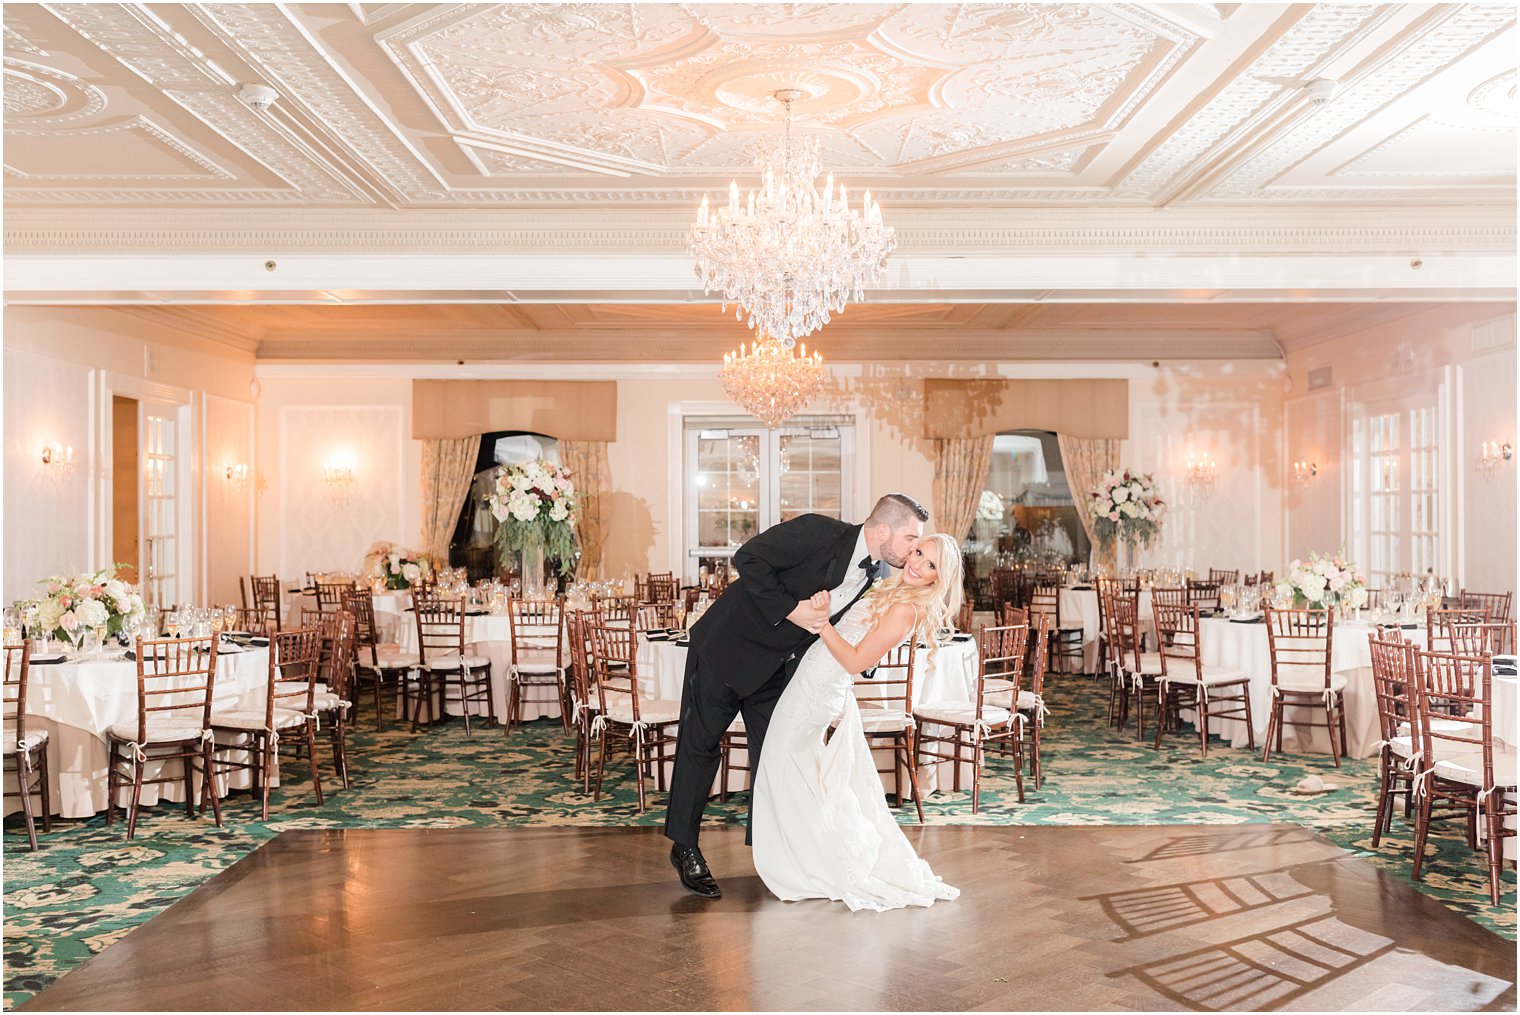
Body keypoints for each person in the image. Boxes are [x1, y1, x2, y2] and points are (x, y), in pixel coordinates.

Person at [665, 493, 929, 899]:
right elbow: (748, 558)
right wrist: (793, 610)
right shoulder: (818, 531)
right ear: (882, 530)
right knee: (700, 747)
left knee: (775, 757)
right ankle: (685, 847)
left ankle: (774, 851)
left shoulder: (876, 575)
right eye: (910, 537)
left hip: (777, 672)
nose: (913, 548)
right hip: (726, 648)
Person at [751, 533, 963, 911]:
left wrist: (820, 624)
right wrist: (826, 609)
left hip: (820, 688)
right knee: (792, 771)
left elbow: (856, 662)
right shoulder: (892, 589)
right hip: (815, 679)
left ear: (939, 578)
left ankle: (811, 866)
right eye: (917, 553)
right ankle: (806, 859)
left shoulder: (907, 610)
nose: (916, 563)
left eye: (930, 564)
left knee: (782, 767)